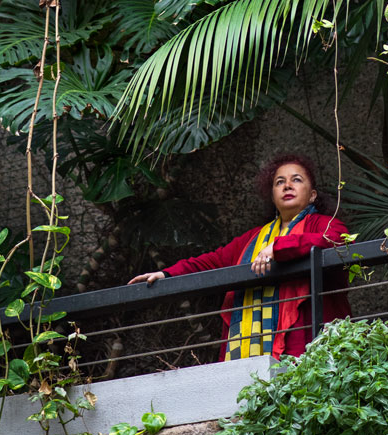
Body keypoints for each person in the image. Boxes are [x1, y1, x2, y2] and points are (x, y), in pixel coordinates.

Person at [128, 152, 352, 360]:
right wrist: (166, 273)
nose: (287, 186)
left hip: (307, 341)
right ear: (272, 196)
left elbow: (337, 240)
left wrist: (279, 247)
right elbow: (212, 262)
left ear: (312, 195)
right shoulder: (253, 238)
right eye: (279, 182)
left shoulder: (323, 224)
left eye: (297, 180)